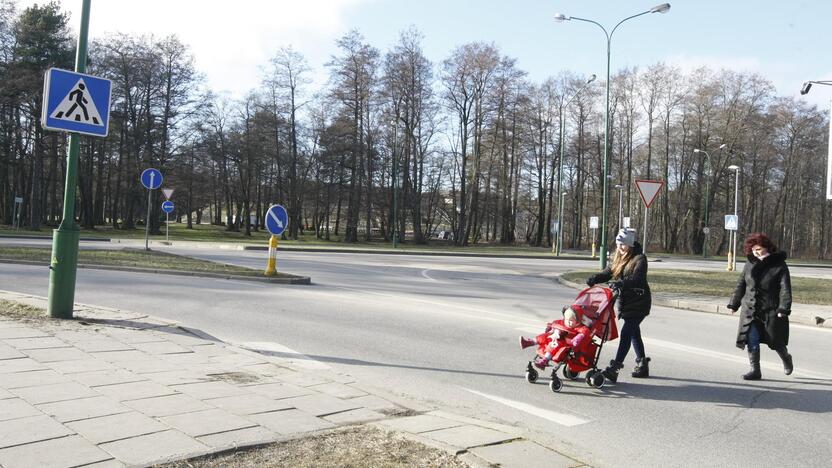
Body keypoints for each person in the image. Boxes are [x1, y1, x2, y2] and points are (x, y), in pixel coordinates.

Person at [586, 228, 652, 382]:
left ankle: (615, 368)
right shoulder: (619, 257)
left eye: (623, 244)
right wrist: (595, 278)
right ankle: (642, 364)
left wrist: (621, 283)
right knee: (634, 333)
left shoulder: (640, 259)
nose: (620, 247)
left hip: (639, 302)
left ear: (629, 244)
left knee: (627, 333)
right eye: (618, 244)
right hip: (627, 302)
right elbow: (609, 272)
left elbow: (637, 279)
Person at [727, 232, 793, 380]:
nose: (756, 252)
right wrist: (734, 303)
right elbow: (741, 284)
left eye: (759, 249)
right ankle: (755, 370)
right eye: (754, 250)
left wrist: (784, 307)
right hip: (750, 309)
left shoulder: (779, 264)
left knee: (775, 341)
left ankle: (786, 358)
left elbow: (785, 289)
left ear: (767, 247)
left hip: (771, 309)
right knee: (752, 338)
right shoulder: (750, 262)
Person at [520, 306, 592, 370]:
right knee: (545, 336)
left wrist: (578, 337)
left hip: (566, 342)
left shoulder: (579, 327)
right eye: (566, 319)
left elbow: (585, 331)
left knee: (554, 344)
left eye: (571, 320)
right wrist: (550, 326)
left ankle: (545, 360)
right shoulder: (563, 322)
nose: (567, 322)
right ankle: (530, 342)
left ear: (578, 321)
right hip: (556, 336)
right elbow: (556, 322)